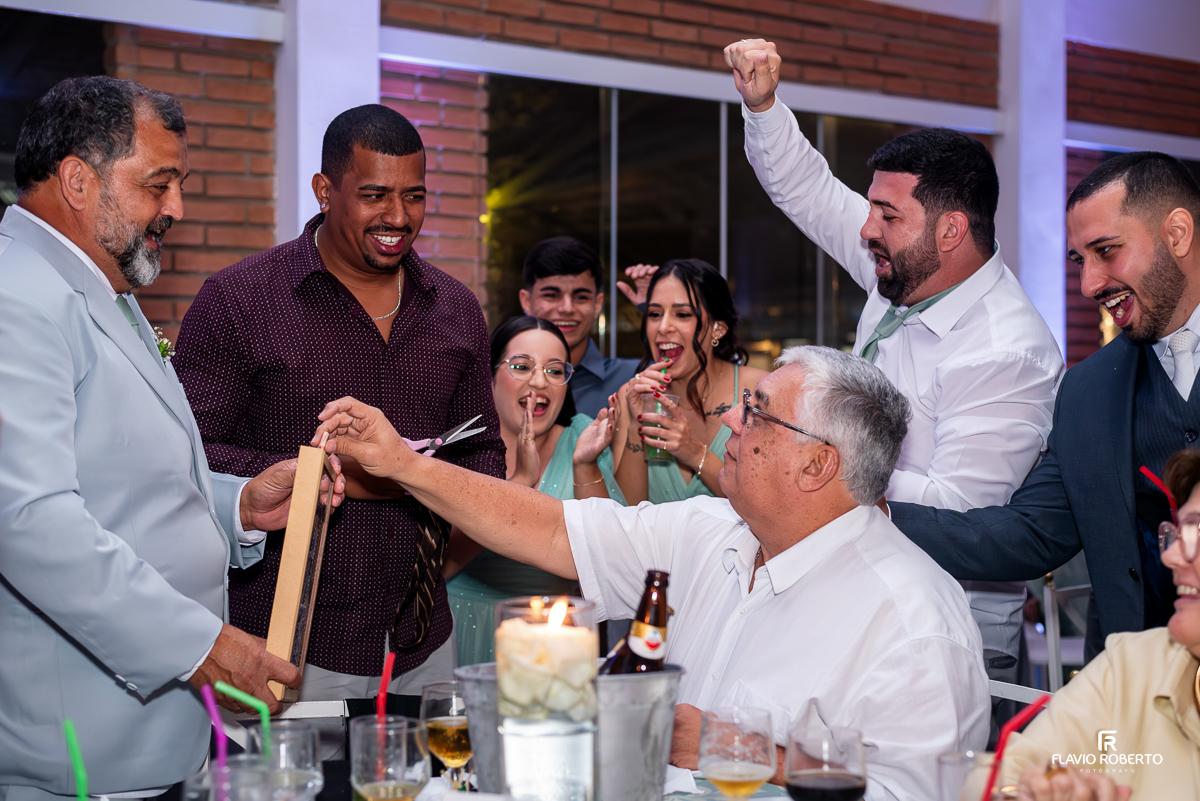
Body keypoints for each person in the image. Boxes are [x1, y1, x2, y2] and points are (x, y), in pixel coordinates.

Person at [312, 345, 991, 800]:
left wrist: (750, 751)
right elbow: (550, 526)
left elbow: (915, 792)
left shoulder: (913, 623)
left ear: (816, 465)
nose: (730, 419)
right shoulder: (710, 530)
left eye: (756, 413)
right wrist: (406, 464)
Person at [0, 77, 344, 798]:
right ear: (77, 179)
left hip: (157, 738)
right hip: (82, 753)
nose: (177, 209)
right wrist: (198, 645)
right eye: (159, 184)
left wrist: (241, 504)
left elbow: (121, 483)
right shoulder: (15, 295)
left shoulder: (100, 290)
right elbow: (27, 521)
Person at [724, 39, 1064, 685]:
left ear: (951, 230)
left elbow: (960, 518)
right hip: (858, 586)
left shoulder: (1008, 349)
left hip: (947, 631)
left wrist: (821, 459)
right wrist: (763, 104)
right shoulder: (905, 269)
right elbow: (810, 192)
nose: (866, 230)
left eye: (886, 213)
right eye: (872, 208)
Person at [173, 104, 505, 707]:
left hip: (423, 640)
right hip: (286, 646)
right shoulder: (240, 299)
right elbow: (187, 455)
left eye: (415, 197)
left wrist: (413, 490)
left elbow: (484, 453)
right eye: (375, 195)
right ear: (325, 190)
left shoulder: (455, 310)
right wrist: (327, 475)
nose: (398, 217)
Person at [888, 152, 1200, 663]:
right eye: (1081, 260)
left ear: (1178, 233)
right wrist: (870, 511)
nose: (1089, 285)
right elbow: (1029, 534)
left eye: (1106, 251)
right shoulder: (1089, 391)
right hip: (1137, 693)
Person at [981, 448, 1200, 801]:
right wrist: (1032, 790)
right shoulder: (1132, 666)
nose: (1170, 555)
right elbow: (996, 777)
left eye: (1197, 531)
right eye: (1176, 532)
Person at [445, 315, 623, 664]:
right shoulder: (455, 447)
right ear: (489, 375)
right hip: (458, 633)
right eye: (522, 366)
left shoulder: (580, 438)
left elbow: (611, 561)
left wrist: (584, 465)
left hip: (553, 640)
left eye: (555, 371)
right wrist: (521, 483)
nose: (540, 381)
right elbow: (440, 567)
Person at [614, 258, 768, 504]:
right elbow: (628, 514)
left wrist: (694, 452)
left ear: (718, 329)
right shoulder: (632, 394)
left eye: (682, 314)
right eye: (654, 314)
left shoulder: (758, 391)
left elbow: (766, 506)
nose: (663, 327)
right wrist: (635, 423)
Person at [518, 236, 639, 417]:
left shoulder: (634, 379)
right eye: (551, 295)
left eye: (581, 297)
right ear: (526, 302)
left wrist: (656, 309)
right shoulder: (496, 381)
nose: (567, 308)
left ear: (597, 304)